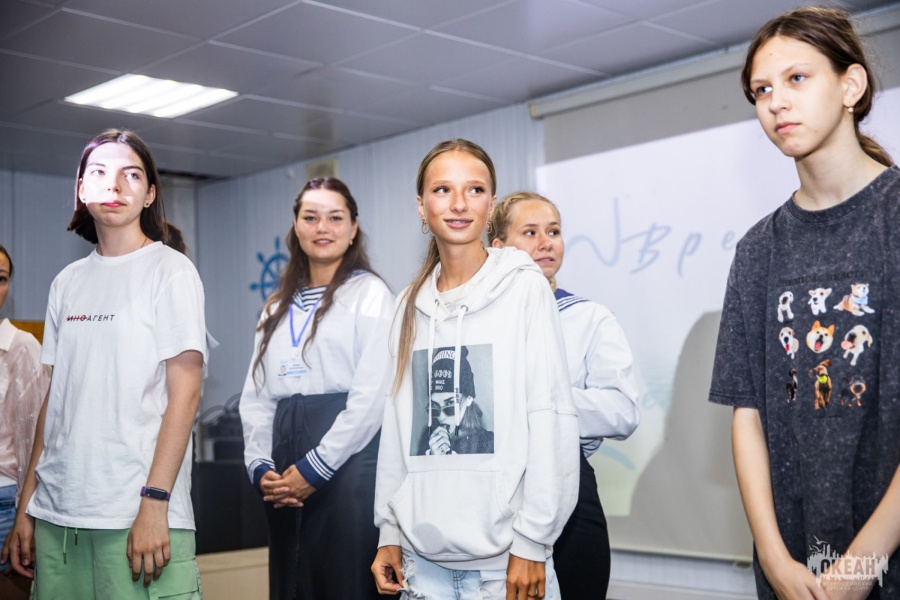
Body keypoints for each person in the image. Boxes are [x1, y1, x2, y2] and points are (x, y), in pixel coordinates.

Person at [709, 7, 900, 599]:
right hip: (794, 570)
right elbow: (747, 414)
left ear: (850, 85)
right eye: (762, 90)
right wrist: (774, 560)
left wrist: (859, 570)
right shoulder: (757, 250)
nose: (776, 103)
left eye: (797, 78)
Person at [0, 129, 208, 599]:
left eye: (131, 174)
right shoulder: (66, 282)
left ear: (149, 193)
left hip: (137, 515)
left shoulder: (171, 271)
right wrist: (28, 506)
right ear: (81, 189)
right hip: (58, 518)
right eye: (99, 172)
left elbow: (187, 393)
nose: (114, 185)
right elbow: (55, 403)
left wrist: (155, 501)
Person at [371, 139, 579, 600]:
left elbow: (551, 419)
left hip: (505, 566)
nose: (460, 203)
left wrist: (533, 541)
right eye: (442, 189)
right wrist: (388, 530)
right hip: (421, 566)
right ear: (421, 207)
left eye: (475, 189)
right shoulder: (407, 304)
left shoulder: (525, 288)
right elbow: (397, 428)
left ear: (490, 205)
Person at [239, 176, 393, 600]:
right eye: (311, 217)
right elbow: (256, 398)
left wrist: (316, 468)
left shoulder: (370, 294)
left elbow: (371, 398)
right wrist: (260, 467)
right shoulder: (275, 307)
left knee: (345, 583)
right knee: (291, 585)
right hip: (284, 468)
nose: (322, 227)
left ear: (353, 228)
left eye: (335, 218)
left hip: (347, 463)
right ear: (295, 226)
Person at [489, 191, 640, 599]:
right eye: (530, 232)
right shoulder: (478, 321)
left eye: (553, 231)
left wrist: (542, 402)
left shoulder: (589, 317)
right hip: (490, 487)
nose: (546, 242)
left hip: (567, 487)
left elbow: (623, 410)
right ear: (498, 247)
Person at [0, 245, 51, 598]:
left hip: (5, 505)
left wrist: (25, 516)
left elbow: (40, 442)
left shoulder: (21, 347)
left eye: (1, 279)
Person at [417, 345, 494, 456]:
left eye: (450, 405)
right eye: (434, 407)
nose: (441, 417)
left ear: (469, 399)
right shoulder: (428, 438)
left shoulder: (489, 443)